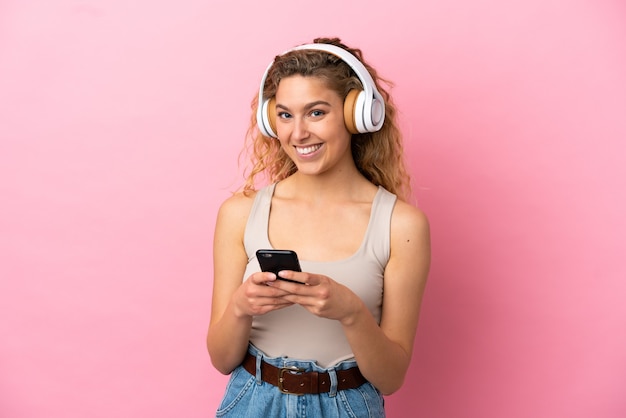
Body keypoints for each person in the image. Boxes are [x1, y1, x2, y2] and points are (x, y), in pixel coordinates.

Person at [207, 37, 430, 417]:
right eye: (285, 115)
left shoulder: (401, 225)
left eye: (316, 113)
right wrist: (241, 308)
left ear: (356, 114)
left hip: (347, 405)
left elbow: (391, 378)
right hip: (252, 401)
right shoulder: (239, 213)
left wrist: (351, 313)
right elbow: (221, 358)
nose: (297, 134)